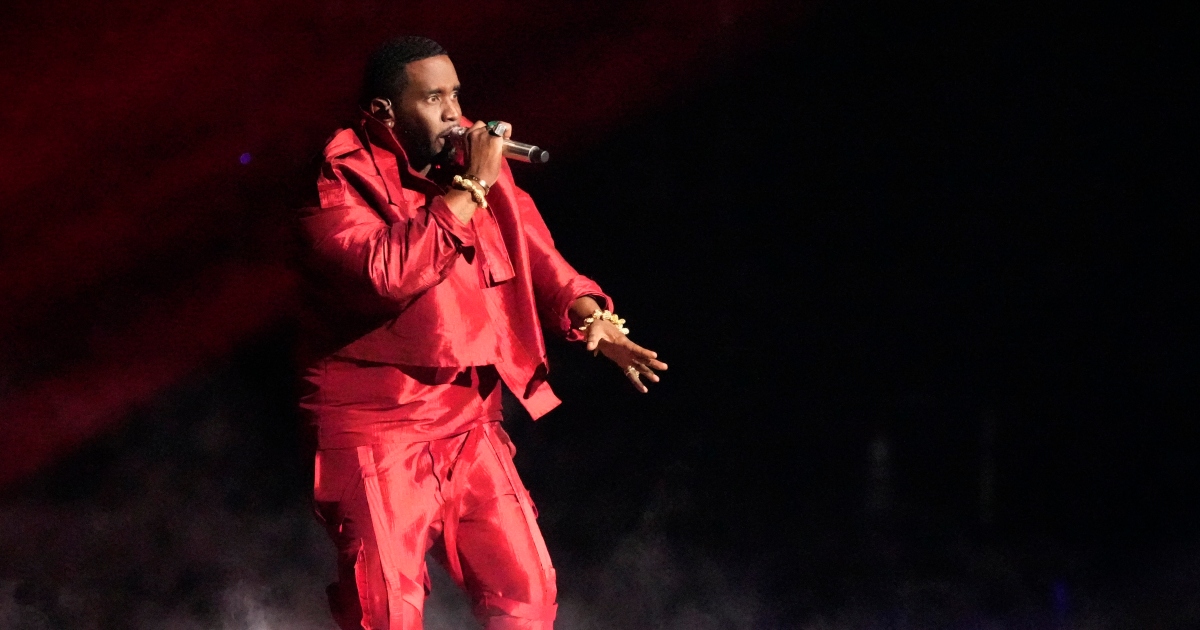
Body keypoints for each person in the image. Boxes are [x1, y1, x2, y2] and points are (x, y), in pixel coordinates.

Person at [294, 36, 667, 630]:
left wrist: (591, 316)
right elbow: (387, 274)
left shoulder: (468, 161)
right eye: (433, 98)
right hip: (377, 425)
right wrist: (469, 188)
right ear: (384, 111)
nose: (453, 113)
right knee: (387, 611)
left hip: (468, 415)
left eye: (456, 95)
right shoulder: (336, 178)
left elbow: (534, 251)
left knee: (526, 591)